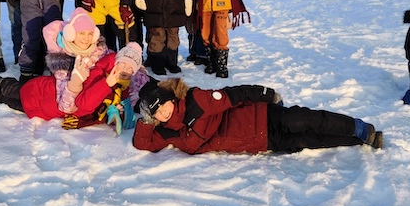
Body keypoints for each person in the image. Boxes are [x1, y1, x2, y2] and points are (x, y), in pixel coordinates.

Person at [0, 16, 146, 133]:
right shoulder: (63, 60)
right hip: (45, 97)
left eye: (90, 34)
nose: (86, 38)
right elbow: (67, 105)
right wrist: (79, 81)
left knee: (19, 101)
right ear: (72, 34)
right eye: (81, 33)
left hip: (50, 107)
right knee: (14, 95)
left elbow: (126, 66)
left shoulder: (102, 53)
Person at [131, 77, 384, 154]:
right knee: (304, 142)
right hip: (261, 142)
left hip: (261, 116)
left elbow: (233, 95)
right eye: (157, 113)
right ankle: (356, 140)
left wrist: (266, 94)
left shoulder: (197, 100)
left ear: (172, 99)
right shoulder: (167, 132)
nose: (164, 112)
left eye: (165, 105)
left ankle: (358, 127)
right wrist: (144, 123)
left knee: (300, 121)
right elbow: (143, 143)